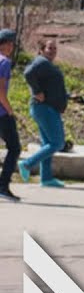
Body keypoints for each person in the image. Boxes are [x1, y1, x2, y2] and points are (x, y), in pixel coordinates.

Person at [19, 38, 68, 187]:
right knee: (57, 143)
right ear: (41, 49)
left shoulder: (46, 64)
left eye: (55, 48)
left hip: (46, 108)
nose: (53, 51)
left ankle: (46, 178)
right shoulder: (42, 62)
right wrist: (37, 91)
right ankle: (27, 164)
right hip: (45, 108)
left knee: (47, 143)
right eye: (49, 48)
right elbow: (28, 73)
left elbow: (50, 84)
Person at [0, 29, 20, 201]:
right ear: (5, 44)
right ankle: (3, 185)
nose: (12, 46)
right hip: (1, 113)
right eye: (11, 43)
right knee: (14, 148)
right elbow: (0, 91)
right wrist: (10, 111)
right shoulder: (4, 62)